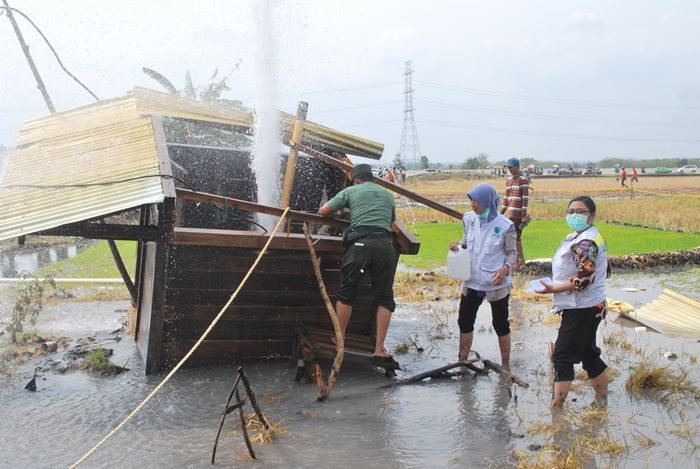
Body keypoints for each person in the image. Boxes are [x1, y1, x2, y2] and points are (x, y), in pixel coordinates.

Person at [535, 195, 609, 408]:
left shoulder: (587, 241)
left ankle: (557, 410)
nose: (575, 215)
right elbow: (603, 270)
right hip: (588, 304)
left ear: (592, 215)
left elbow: (585, 279)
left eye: (581, 211)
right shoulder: (580, 236)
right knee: (588, 353)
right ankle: (602, 401)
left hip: (582, 307)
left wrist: (553, 289)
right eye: (571, 211)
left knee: (562, 357)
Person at [318, 163, 397, 358]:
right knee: (385, 297)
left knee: (346, 294)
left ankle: (340, 339)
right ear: (372, 178)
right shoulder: (388, 195)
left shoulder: (351, 191)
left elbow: (324, 211)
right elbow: (390, 222)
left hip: (360, 246)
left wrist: (344, 213)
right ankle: (379, 349)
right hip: (386, 247)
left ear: (356, 180)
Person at [449, 183, 518, 365]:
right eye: (471, 200)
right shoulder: (468, 219)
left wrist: (504, 270)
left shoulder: (505, 225)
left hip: (495, 282)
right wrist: (457, 247)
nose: (472, 204)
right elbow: (466, 243)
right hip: (471, 280)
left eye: (476, 201)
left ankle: (506, 363)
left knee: (500, 324)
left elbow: (513, 253)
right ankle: (462, 360)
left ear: (487, 201)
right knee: (464, 321)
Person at [500, 157, 530, 267]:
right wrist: (500, 213)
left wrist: (523, 216)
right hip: (510, 214)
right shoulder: (508, 180)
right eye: (508, 167)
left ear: (517, 166)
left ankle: (520, 260)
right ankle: (518, 260)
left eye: (511, 167)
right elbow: (506, 198)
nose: (509, 169)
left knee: (516, 238)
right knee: (512, 238)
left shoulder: (523, 180)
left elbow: (525, 199)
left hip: (517, 214)